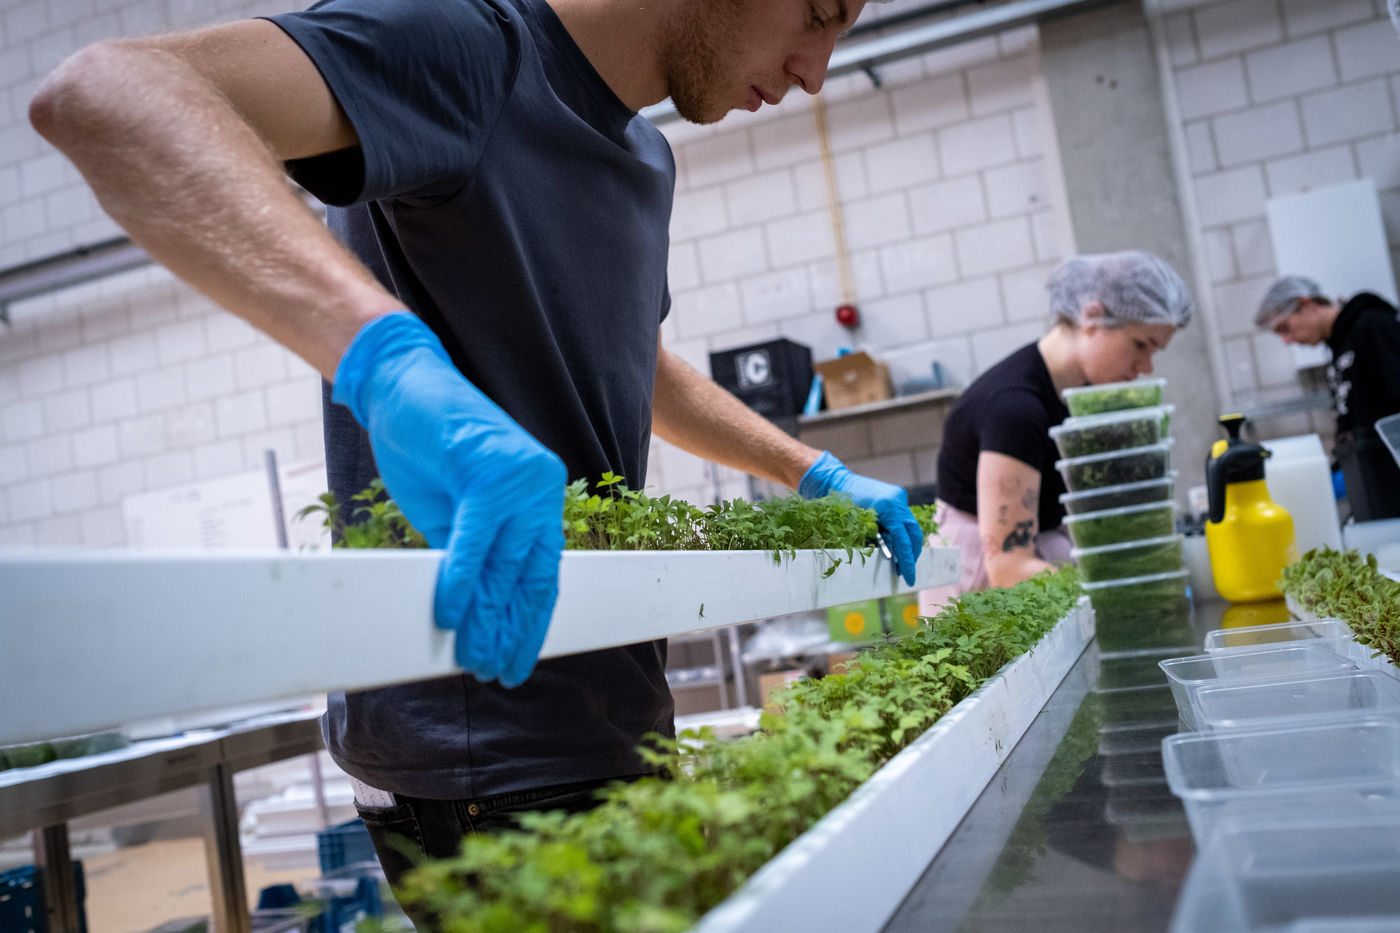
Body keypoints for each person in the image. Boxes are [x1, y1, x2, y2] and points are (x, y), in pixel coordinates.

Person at [28, 0, 925, 907]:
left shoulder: (646, 157)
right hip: (480, 749)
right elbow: (110, 93)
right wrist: (385, 359)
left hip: (615, 709)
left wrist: (810, 471)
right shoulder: (473, 47)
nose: (816, 70)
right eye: (817, 14)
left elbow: (641, 367)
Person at [921, 251, 1193, 610]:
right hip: (978, 583)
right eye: (1140, 345)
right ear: (1092, 316)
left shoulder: (1076, 394)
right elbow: (1008, 568)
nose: (1145, 367)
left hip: (1036, 565)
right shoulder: (1014, 408)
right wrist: (1117, 588)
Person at [1255, 276, 1400, 518]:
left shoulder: (1373, 324)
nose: (1287, 340)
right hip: (1372, 481)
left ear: (1306, 304)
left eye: (1285, 327)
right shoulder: (1338, 347)